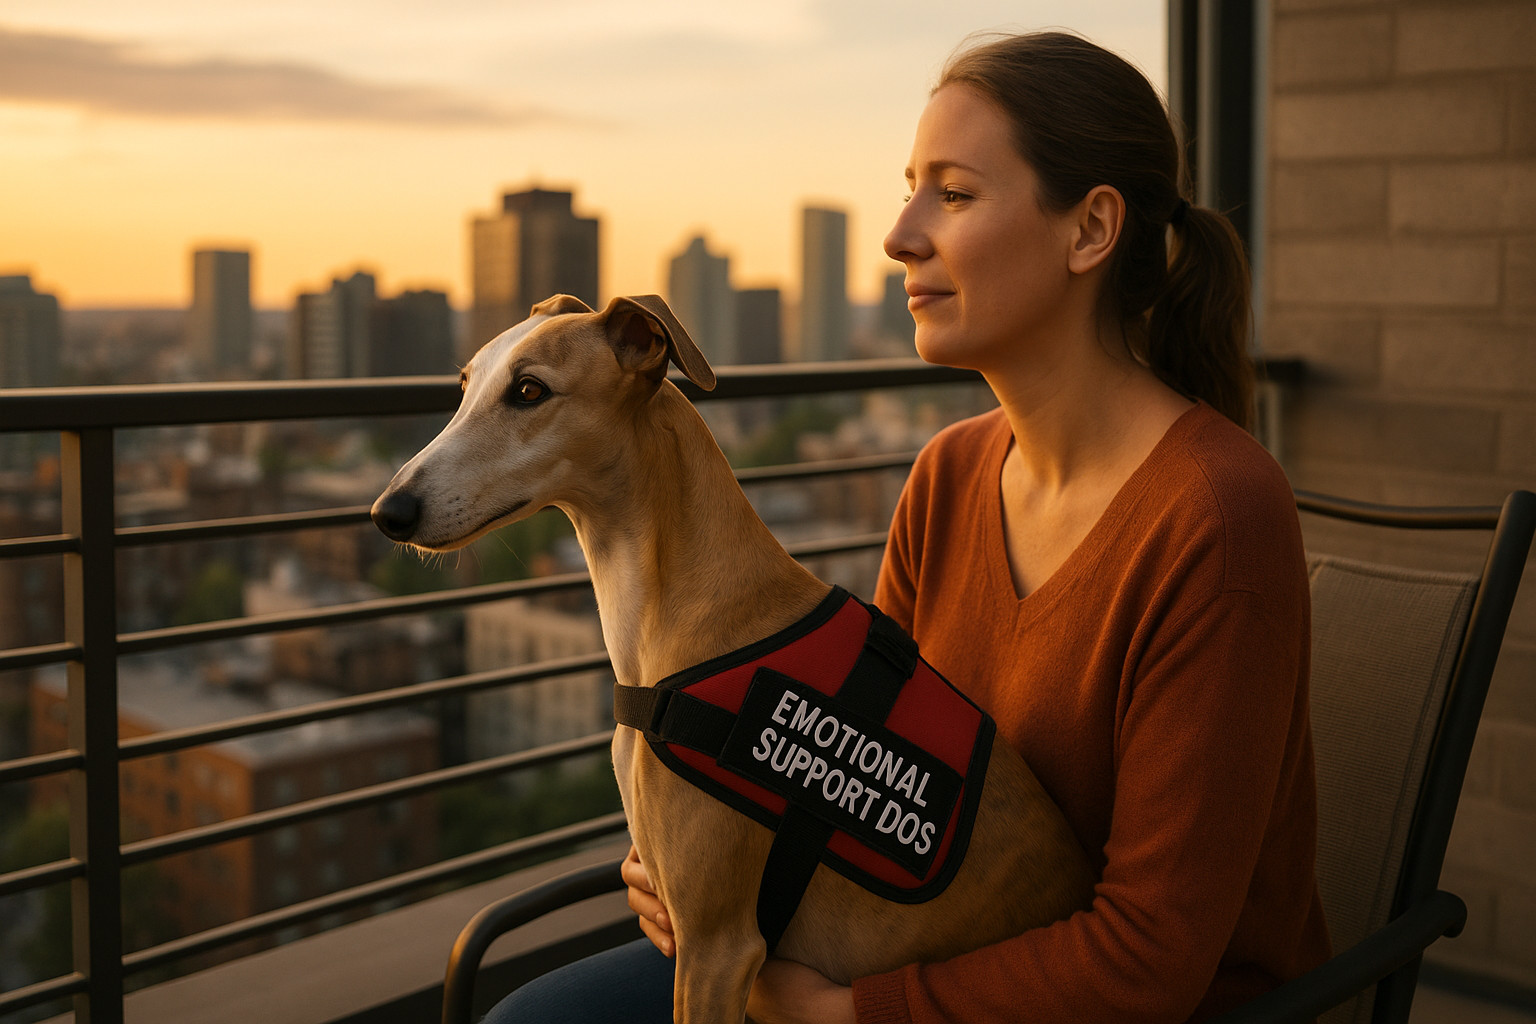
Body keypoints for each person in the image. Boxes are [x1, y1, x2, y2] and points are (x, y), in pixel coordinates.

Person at [486, 29, 1330, 1024]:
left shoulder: (1216, 517)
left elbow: (1149, 962)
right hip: (902, 947)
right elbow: (854, 765)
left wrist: (835, 1015)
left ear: (1091, 229)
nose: (899, 235)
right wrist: (698, 847)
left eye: (954, 194)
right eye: (910, 189)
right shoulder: (951, 474)